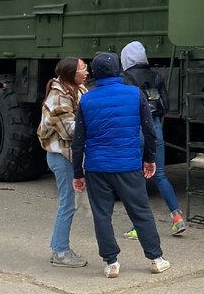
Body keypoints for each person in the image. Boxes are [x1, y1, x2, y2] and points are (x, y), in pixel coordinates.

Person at [72, 52, 170, 278]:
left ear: (95, 73)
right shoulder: (135, 94)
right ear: (118, 70)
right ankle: (155, 258)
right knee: (141, 212)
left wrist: (78, 172)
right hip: (129, 164)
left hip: (97, 167)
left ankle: (111, 262)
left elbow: (78, 142)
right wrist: (149, 159)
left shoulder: (87, 99)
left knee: (102, 215)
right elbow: (149, 131)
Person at [119, 41, 186, 238]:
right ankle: (177, 217)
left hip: (135, 128)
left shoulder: (125, 78)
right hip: (155, 127)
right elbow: (165, 105)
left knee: (136, 178)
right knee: (160, 175)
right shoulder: (157, 76)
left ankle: (137, 226)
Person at [38, 56, 90, 267]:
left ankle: (59, 248)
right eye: (83, 69)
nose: (87, 71)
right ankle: (60, 252)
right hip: (61, 157)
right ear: (71, 74)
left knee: (70, 203)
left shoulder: (77, 90)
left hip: (69, 156)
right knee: (68, 204)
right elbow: (71, 131)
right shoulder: (59, 98)